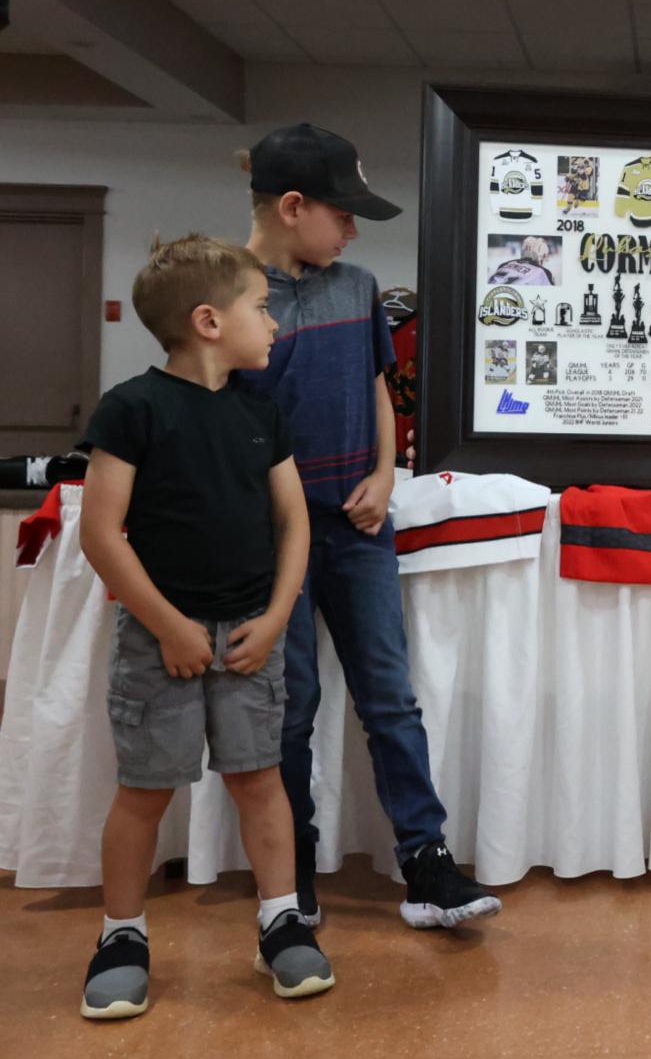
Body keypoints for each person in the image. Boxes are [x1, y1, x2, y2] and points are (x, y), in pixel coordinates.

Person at [237, 123, 501, 931]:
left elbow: (380, 389)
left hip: (358, 528)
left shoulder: (356, 286)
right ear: (291, 207)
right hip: (269, 537)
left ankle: (426, 863)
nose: (353, 228)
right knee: (290, 706)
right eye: (342, 212)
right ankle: (294, 871)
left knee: (390, 697)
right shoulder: (224, 297)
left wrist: (386, 474)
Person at [77, 235, 333, 1018]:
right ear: (208, 321)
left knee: (261, 781)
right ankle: (121, 935)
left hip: (253, 633)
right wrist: (169, 626)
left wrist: (281, 613)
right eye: (261, 308)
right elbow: (101, 534)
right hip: (162, 641)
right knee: (146, 791)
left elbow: (294, 524)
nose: (274, 324)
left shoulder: (262, 412)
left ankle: (281, 920)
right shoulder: (132, 408)